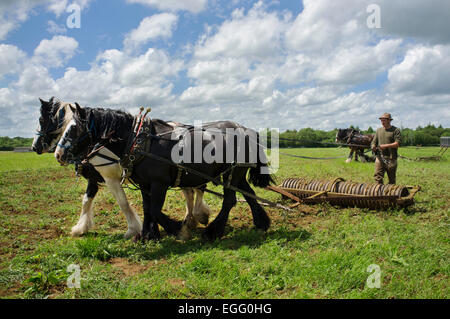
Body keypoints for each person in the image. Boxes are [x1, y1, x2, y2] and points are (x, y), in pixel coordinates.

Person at [371, 113, 401, 184]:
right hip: (380, 158)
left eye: (384, 120)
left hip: (391, 158)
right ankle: (378, 192)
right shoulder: (379, 130)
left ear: (389, 120)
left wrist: (385, 146)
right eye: (381, 120)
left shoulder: (395, 130)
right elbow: (374, 142)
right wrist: (373, 146)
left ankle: (391, 193)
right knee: (377, 177)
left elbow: (397, 144)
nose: (382, 122)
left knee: (391, 179)